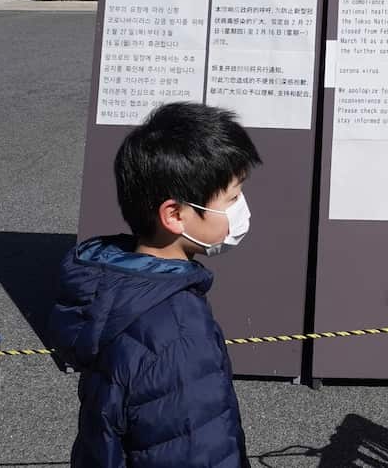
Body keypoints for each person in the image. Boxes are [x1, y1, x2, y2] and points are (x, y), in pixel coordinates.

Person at [49, 102, 260, 468]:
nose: (241, 208)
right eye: (232, 198)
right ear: (175, 215)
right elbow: (197, 447)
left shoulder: (112, 286)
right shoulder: (179, 330)